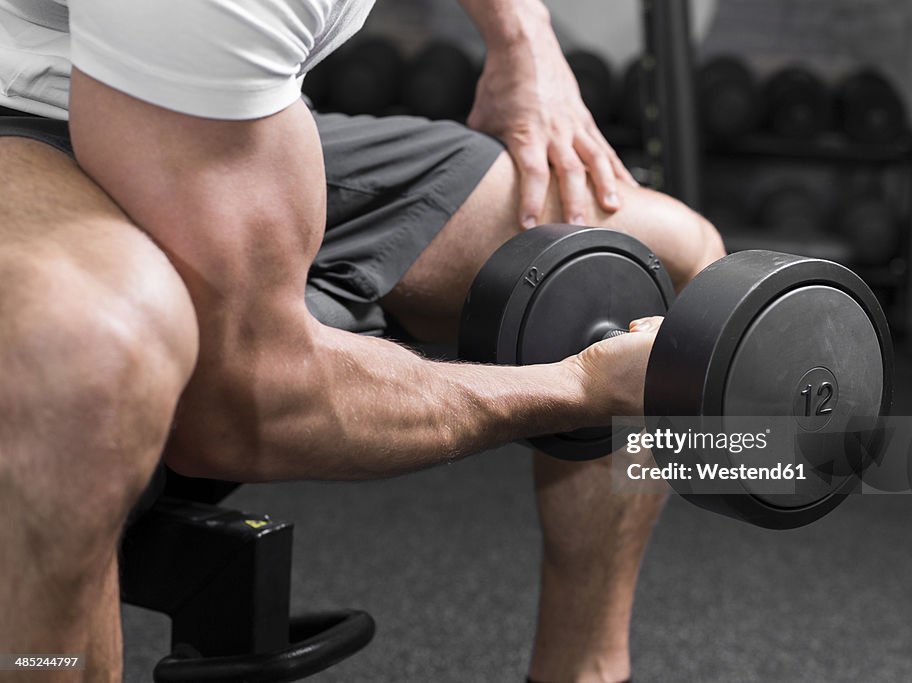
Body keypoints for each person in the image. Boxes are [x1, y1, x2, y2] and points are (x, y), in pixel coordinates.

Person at [0, 1, 724, 681]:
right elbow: (244, 410)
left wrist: (523, 42)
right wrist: (581, 387)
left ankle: (583, 669)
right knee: (83, 371)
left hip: (216, 114)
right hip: (29, 114)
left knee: (668, 260)